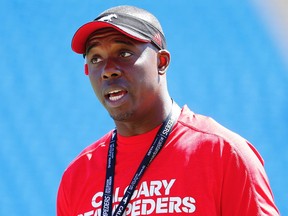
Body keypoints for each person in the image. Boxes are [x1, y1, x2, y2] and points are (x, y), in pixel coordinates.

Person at [57, 5, 280, 216]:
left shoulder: (223, 153)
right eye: (95, 58)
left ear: (161, 62)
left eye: (124, 53)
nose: (108, 70)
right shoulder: (77, 176)